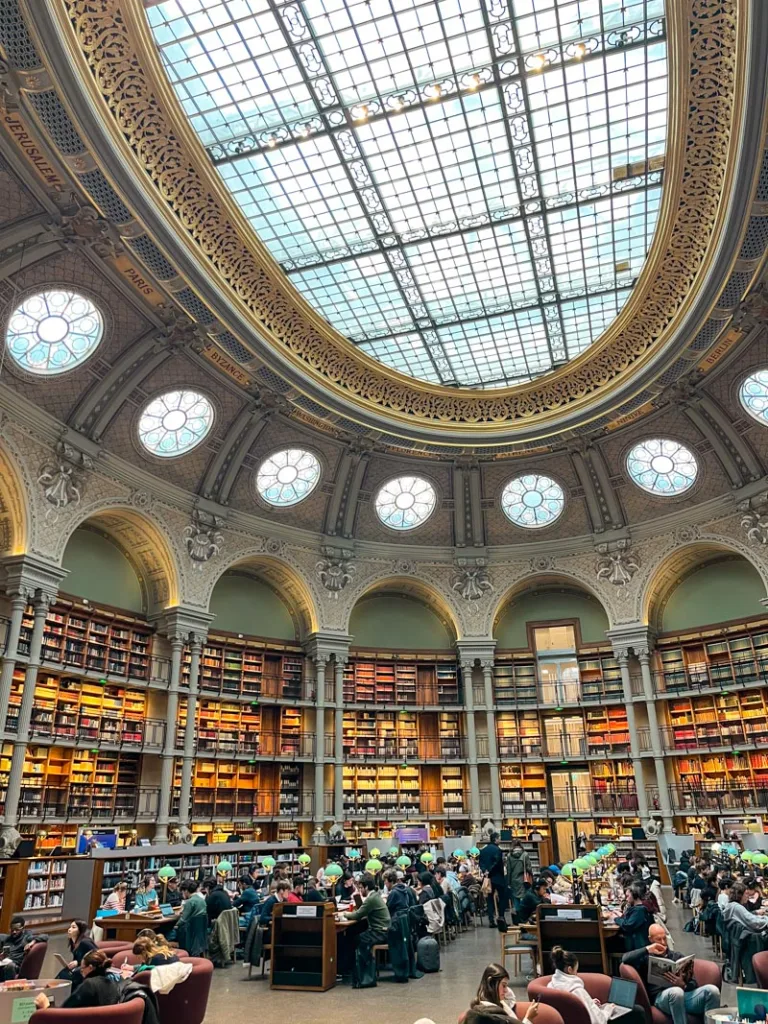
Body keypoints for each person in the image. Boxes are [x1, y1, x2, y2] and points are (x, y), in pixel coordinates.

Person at [621, 923, 721, 1024]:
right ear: (650, 939)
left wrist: (683, 985)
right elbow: (625, 959)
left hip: (684, 996)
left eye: (664, 938)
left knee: (713, 991)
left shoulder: (677, 956)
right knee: (676, 992)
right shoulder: (645, 958)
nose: (663, 942)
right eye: (658, 939)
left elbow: (694, 983)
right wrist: (648, 949)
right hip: (661, 999)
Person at [548, 945, 644, 1024]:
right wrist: (608, 1009)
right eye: (576, 971)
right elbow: (598, 1021)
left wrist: (590, 1003)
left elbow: (576, 1008)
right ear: (569, 969)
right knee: (638, 1011)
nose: (577, 974)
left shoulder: (551, 985)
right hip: (596, 1020)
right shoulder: (576, 990)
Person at [337, 872, 391, 989]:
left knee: (353, 938)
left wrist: (344, 914)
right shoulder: (375, 896)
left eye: (361, 887)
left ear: (366, 887)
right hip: (384, 930)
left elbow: (357, 915)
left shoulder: (371, 899)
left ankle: (352, 969)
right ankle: (352, 969)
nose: (360, 890)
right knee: (354, 934)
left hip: (380, 932)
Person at [34, 950, 118, 1011]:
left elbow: (64, 1013)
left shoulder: (89, 985)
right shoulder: (113, 984)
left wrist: (46, 1007)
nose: (81, 972)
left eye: (82, 969)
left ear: (90, 968)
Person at [463, 962, 538, 1024]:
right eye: (504, 985)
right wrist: (529, 1017)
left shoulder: (477, 1009)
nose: (506, 990)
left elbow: (511, 1000)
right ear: (491, 983)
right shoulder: (496, 1019)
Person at [0, 916, 48, 980]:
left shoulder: (26, 937)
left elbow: (45, 936)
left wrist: (32, 942)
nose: (14, 932)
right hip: (4, 962)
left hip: (15, 966)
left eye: (17, 930)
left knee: (10, 966)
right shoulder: (8, 939)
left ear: (22, 929)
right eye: (12, 930)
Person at [55, 920, 97, 985]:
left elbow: (96, 956)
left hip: (89, 967)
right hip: (80, 966)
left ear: (80, 930)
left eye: (73, 927)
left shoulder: (85, 942)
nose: (69, 929)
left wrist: (78, 962)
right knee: (63, 973)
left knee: (71, 975)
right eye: (70, 927)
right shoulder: (73, 942)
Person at [613, 884, 654, 951]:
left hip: (635, 945)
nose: (626, 898)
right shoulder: (637, 908)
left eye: (627, 896)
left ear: (634, 895)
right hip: (634, 941)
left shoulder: (639, 910)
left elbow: (627, 925)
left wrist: (615, 918)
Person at [479, 832, 508, 927]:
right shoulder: (498, 850)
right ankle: (501, 917)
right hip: (497, 877)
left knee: (490, 899)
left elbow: (481, 863)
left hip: (487, 878)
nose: (500, 840)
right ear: (495, 839)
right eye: (499, 838)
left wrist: (485, 871)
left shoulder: (483, 850)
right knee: (502, 897)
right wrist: (490, 871)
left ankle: (491, 919)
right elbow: (497, 863)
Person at [506, 842, 533, 918]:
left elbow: (509, 870)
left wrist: (508, 881)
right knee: (525, 896)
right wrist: (531, 876)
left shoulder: (509, 856)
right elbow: (529, 868)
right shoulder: (525, 854)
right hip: (523, 879)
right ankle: (524, 914)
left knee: (516, 897)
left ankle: (518, 914)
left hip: (514, 879)